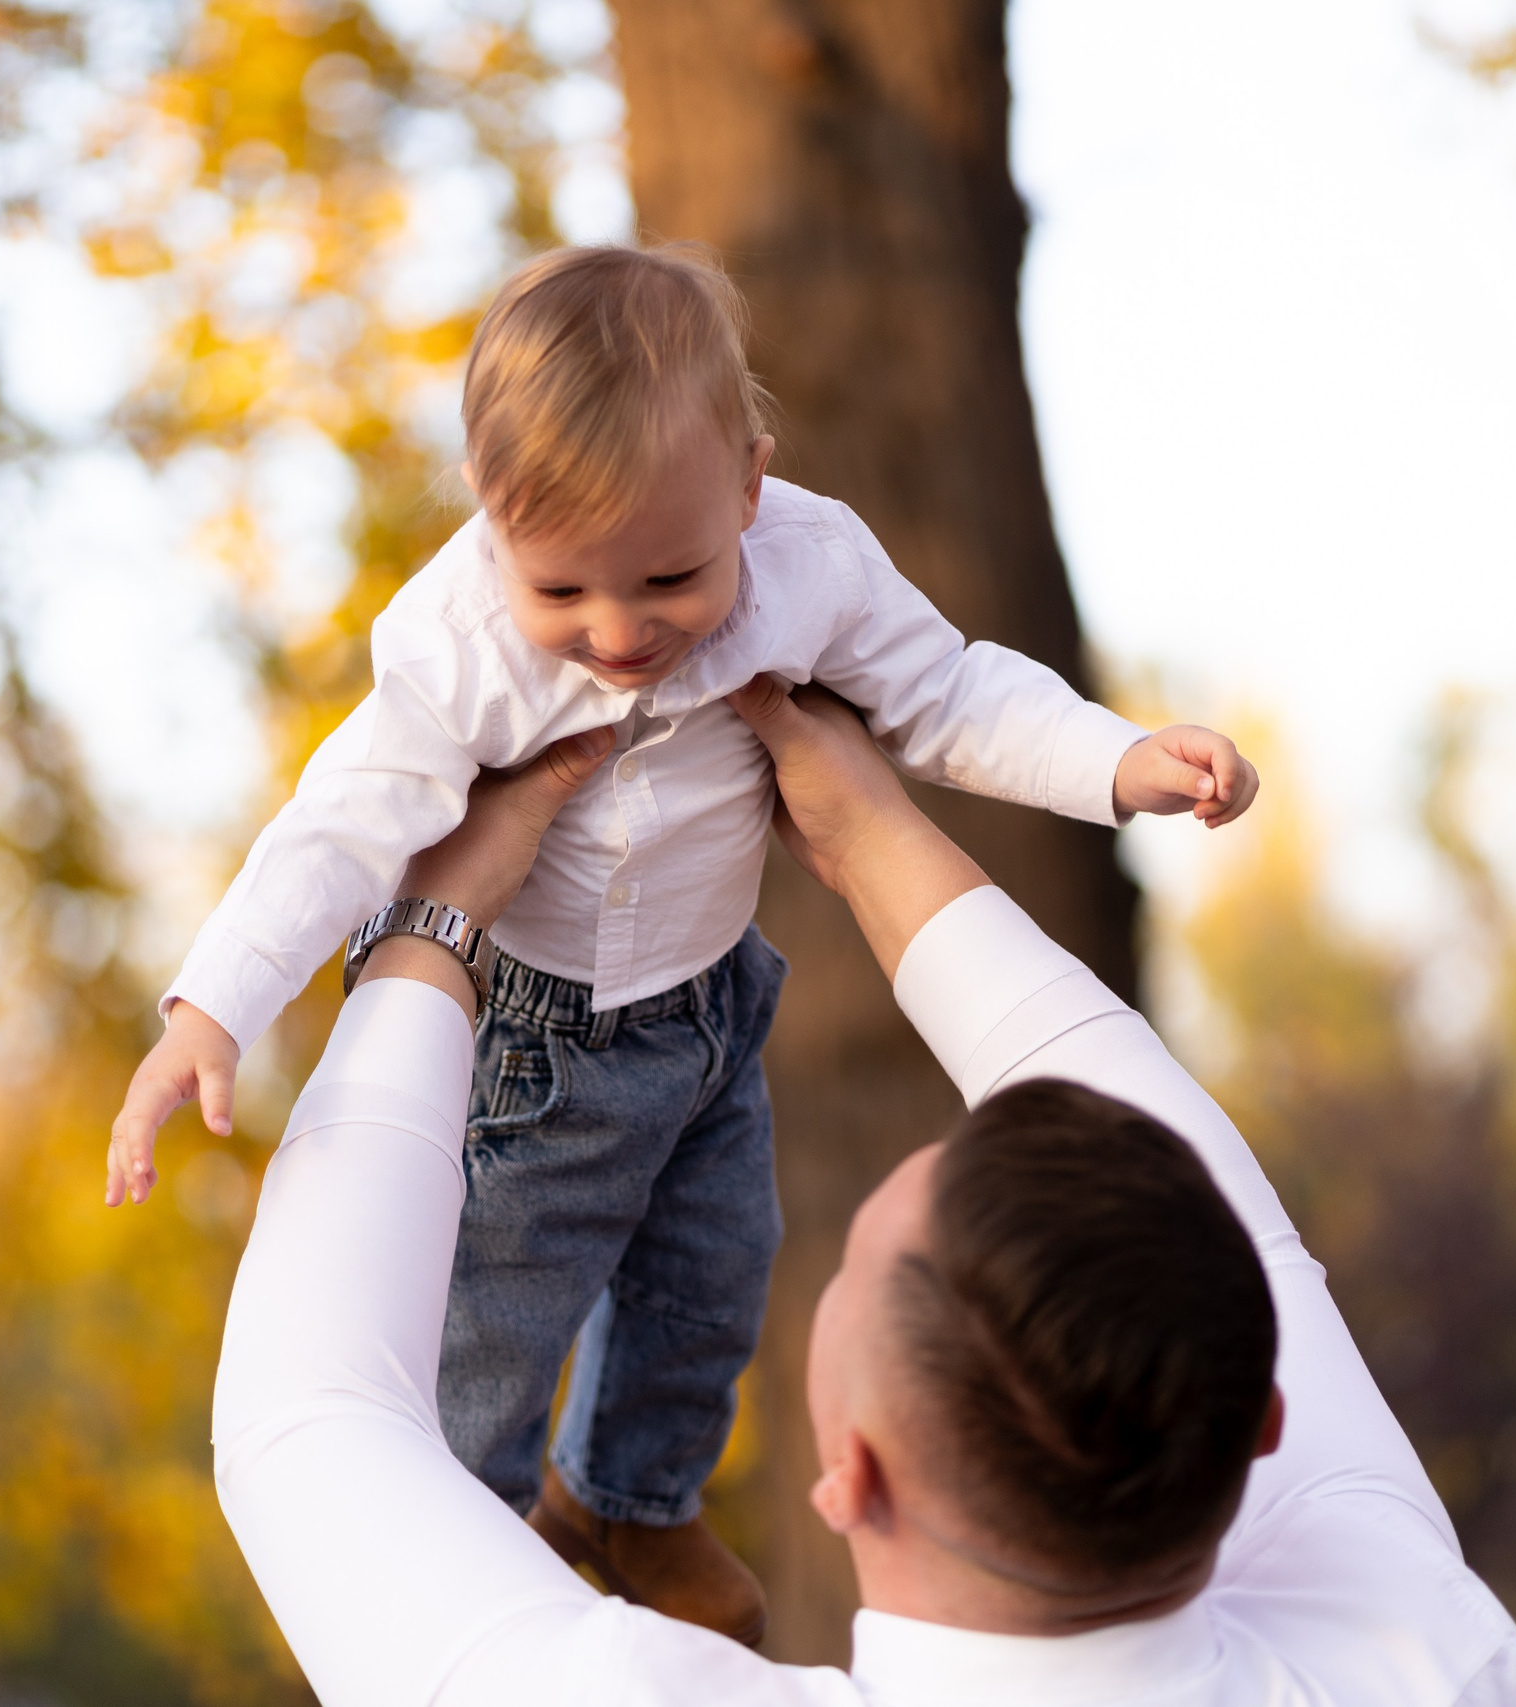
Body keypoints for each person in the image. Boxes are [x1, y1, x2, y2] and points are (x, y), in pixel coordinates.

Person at [107, 242, 1260, 1642]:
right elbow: (341, 823)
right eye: (564, 592)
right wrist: (212, 1005)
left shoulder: (809, 567)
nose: (617, 630)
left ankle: (633, 1499)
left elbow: (945, 694)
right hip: (530, 1051)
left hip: (712, 1011)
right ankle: (465, 1548)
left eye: (668, 576)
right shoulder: (460, 641)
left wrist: (1119, 760)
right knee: (496, 1323)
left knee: (714, 1281)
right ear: (487, 523)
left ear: (751, 486)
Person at [208, 676, 1516, 1705]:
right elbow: (1170, 1165)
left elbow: (304, 1410)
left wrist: (436, 915)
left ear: (849, 1476)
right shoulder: (1423, 1652)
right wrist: (867, 831)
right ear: (1264, 1422)